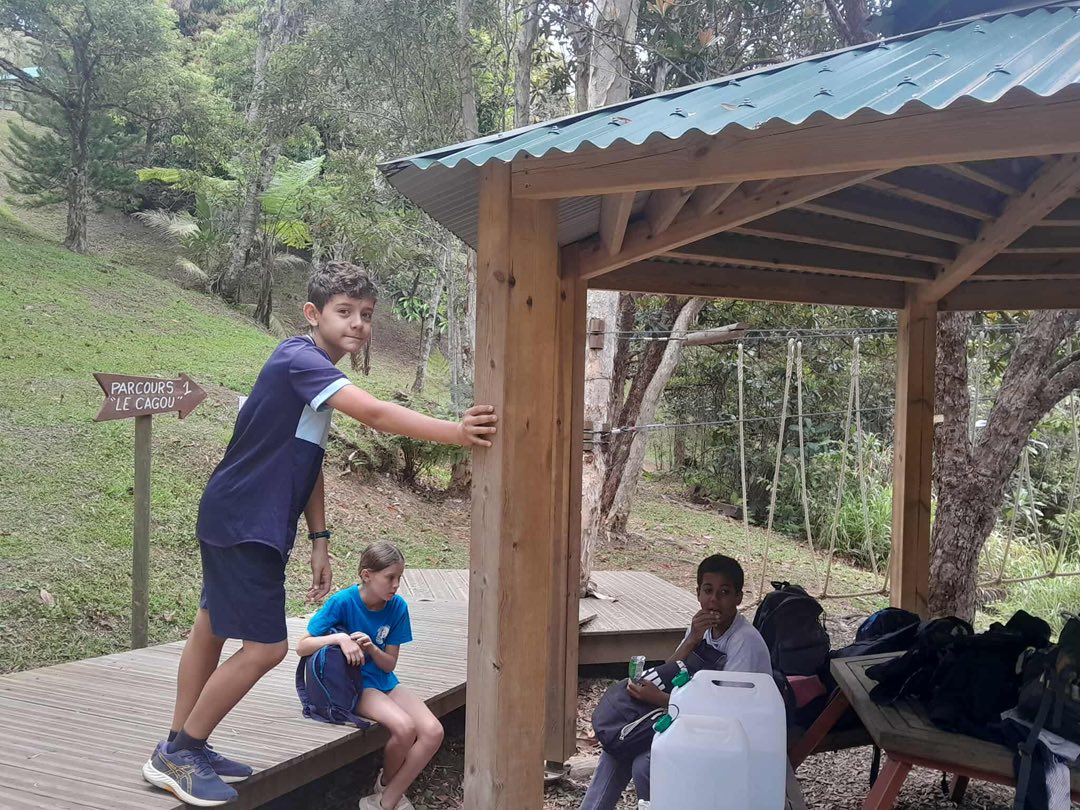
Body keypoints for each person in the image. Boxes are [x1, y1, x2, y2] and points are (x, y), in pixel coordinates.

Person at [142, 261, 497, 807]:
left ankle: (182, 743)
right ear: (313, 314)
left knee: (210, 628)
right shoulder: (300, 359)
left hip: (242, 516)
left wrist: (320, 539)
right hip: (245, 520)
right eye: (344, 311)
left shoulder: (314, 375)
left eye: (367, 314)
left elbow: (309, 461)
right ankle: (180, 752)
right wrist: (457, 432)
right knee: (267, 648)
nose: (358, 323)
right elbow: (375, 414)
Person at [579, 554, 771, 810]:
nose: (714, 600)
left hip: (732, 737)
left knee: (646, 764)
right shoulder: (700, 629)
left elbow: (729, 713)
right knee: (619, 745)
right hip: (692, 720)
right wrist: (691, 640)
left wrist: (662, 700)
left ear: (738, 598)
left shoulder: (744, 642)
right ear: (698, 593)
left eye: (724, 593)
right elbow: (670, 671)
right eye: (708, 591)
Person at [297, 541, 434, 810]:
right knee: (405, 728)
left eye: (399, 578)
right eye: (390, 578)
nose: (395, 585)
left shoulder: (397, 607)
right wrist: (340, 639)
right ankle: (389, 798)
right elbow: (302, 646)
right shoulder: (343, 602)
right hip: (355, 684)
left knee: (433, 731)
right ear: (367, 575)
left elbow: (389, 665)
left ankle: (385, 794)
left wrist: (371, 647)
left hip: (384, 680)